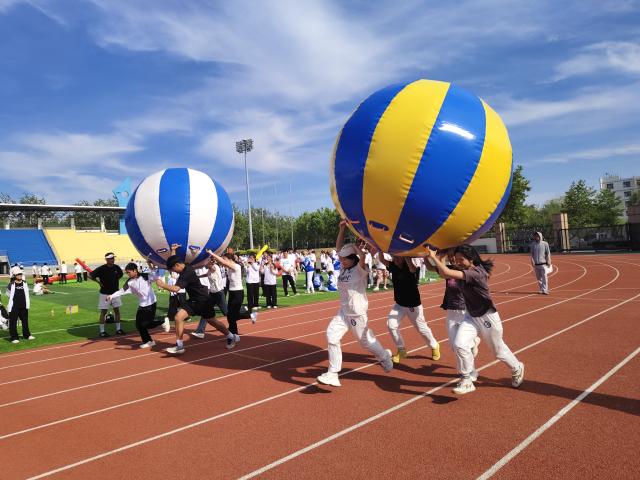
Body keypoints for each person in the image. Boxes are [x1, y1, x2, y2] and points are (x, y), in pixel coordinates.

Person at [426, 245, 524, 395]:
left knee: (498, 351)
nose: (457, 262)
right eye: (456, 259)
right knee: (459, 345)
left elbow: (446, 272)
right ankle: (466, 380)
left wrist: (434, 257)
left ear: (471, 259)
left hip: (487, 317)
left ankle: (517, 367)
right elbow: (442, 272)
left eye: (461, 259)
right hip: (471, 316)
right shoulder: (461, 271)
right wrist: (428, 255)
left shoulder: (477, 272)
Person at [317, 220, 393, 387]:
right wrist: (342, 229)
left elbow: (363, 257)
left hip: (356, 313)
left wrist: (357, 245)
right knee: (331, 335)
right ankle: (333, 373)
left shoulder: (360, 269)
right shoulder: (343, 268)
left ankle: (384, 356)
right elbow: (339, 248)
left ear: (353, 258)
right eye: (342, 258)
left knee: (365, 342)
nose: (342, 260)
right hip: (344, 311)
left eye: (346, 258)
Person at [155, 245, 239, 355]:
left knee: (212, 321)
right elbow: (174, 260)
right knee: (179, 317)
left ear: (177, 265)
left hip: (203, 301)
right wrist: (173, 251)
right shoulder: (186, 266)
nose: (173, 271)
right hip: (194, 300)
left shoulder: (186, 273)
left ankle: (231, 336)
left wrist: (162, 285)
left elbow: (176, 289)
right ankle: (180, 346)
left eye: (173, 269)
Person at [427, 249, 480, 378]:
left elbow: (444, 271)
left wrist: (439, 258)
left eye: (454, 256)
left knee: (462, 345)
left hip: (464, 311)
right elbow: (430, 267)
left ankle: (471, 371)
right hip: (451, 311)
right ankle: (474, 342)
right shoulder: (448, 269)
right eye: (450, 256)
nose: (452, 259)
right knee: (453, 345)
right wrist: (425, 255)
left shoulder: (465, 272)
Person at [378, 254, 440, 364]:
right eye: (394, 257)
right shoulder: (393, 266)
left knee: (421, 328)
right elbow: (382, 259)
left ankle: (434, 346)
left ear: (405, 257)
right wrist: (379, 248)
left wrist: (406, 254)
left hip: (413, 305)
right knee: (391, 325)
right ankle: (401, 350)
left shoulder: (412, 267)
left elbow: (412, 268)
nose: (396, 260)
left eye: (398, 257)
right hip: (399, 304)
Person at [107, 262, 170, 348]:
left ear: (135, 270)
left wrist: (152, 267)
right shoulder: (129, 282)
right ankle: (148, 341)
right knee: (139, 325)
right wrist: (111, 296)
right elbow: (122, 291)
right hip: (142, 304)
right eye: (127, 272)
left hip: (151, 303)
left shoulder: (145, 276)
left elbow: (155, 277)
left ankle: (163, 322)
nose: (128, 274)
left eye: (129, 272)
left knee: (146, 324)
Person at [90, 252, 125, 337]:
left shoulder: (116, 267)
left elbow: (120, 274)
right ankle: (102, 332)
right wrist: (98, 282)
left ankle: (118, 329)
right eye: (111, 258)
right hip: (104, 294)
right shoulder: (101, 268)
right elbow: (90, 275)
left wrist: (115, 280)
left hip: (115, 293)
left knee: (117, 311)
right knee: (103, 312)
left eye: (113, 258)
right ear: (107, 259)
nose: (113, 260)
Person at [192, 258, 229, 339]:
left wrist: (206, 261)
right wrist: (198, 276)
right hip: (212, 294)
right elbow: (207, 274)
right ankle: (200, 331)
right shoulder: (209, 269)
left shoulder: (214, 267)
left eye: (207, 263)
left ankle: (244, 313)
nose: (205, 265)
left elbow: (212, 268)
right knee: (206, 311)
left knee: (226, 312)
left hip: (219, 293)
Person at [6, 266, 35, 344]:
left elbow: (26, 294)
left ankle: (27, 335)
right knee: (13, 323)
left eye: (20, 274)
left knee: (25, 321)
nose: (20, 275)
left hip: (24, 306)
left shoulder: (25, 283)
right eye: (18, 274)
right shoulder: (11, 284)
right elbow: (8, 294)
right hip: (14, 307)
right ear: (14, 275)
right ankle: (14, 337)